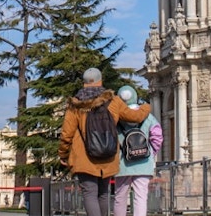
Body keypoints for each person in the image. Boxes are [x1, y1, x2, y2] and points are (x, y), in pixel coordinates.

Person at [59, 68, 151, 216]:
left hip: (84, 158)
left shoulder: (75, 104)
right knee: (103, 193)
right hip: (108, 155)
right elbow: (134, 117)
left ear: (84, 83)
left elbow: (67, 133)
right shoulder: (113, 101)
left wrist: (63, 154)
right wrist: (146, 106)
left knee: (89, 193)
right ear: (100, 81)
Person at [113, 85, 162, 216]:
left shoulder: (116, 118)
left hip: (122, 164)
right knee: (140, 197)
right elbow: (157, 137)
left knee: (120, 197)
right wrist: (151, 153)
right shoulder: (148, 116)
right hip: (143, 162)